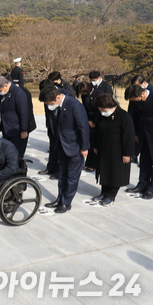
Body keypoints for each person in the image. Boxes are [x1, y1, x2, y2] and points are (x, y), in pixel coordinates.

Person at [40, 85, 90, 214]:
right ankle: (59, 199)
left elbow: (83, 128)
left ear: (57, 97)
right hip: (61, 146)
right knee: (62, 175)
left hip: (75, 147)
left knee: (72, 177)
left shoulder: (75, 105)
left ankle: (66, 203)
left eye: (50, 103)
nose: (49, 106)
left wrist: (84, 147)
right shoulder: (55, 106)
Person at [93, 94, 135, 207]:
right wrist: (95, 146)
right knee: (105, 171)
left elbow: (128, 137)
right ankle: (103, 192)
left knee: (114, 173)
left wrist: (127, 154)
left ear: (112, 107)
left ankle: (111, 195)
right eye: (100, 110)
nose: (102, 112)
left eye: (104, 110)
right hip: (103, 149)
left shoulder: (124, 117)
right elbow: (97, 131)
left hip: (118, 151)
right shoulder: (102, 115)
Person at [0, 76, 29, 158]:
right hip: (6, 128)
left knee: (16, 155)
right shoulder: (4, 92)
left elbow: (23, 112)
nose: (0, 93)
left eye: (0, 90)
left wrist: (23, 130)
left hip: (16, 129)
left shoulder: (18, 93)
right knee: (6, 153)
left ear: (5, 85)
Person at [76, 81, 101, 172]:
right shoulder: (84, 95)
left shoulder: (98, 94)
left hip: (97, 120)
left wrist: (94, 121)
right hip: (88, 120)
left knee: (95, 142)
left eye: (83, 92)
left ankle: (93, 164)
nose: (82, 94)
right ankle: (88, 163)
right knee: (88, 141)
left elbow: (99, 110)